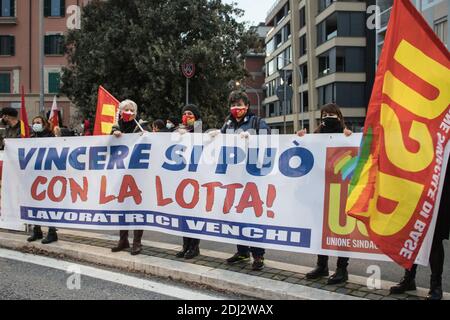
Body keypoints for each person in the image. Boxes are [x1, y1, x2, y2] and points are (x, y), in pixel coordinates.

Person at [297, 103, 352, 285]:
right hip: (318, 190)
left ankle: (342, 268)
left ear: (339, 116)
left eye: (332, 114)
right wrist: (300, 140)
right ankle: (322, 265)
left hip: (338, 190)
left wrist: (350, 139)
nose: (328, 116)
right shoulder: (315, 135)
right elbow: (301, 157)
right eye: (325, 114)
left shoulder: (347, 134)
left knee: (339, 231)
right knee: (321, 229)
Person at [219, 91, 271, 271]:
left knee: (253, 217)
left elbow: (268, 139)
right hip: (234, 177)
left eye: (240, 105)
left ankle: (258, 255)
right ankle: (242, 251)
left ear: (247, 106)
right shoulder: (228, 123)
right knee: (237, 216)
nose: (236, 109)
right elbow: (220, 142)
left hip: (252, 177)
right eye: (233, 105)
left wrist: (252, 138)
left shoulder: (257, 122)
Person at [389, 162, 449, 300]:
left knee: (434, 238)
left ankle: (436, 286)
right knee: (412, 233)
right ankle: (409, 279)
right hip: (416, 184)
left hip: (438, 187)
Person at [110, 99, 148, 255]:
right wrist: (114, 134)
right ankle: (123, 240)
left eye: (131, 109)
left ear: (136, 112)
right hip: (121, 174)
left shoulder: (141, 124)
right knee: (122, 206)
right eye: (125, 109)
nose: (128, 112)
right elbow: (108, 145)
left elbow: (149, 139)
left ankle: (137, 242)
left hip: (138, 174)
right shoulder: (116, 125)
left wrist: (145, 135)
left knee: (138, 207)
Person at [175, 104, 203, 260]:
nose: (187, 116)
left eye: (190, 113)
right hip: (182, 179)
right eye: (184, 113)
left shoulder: (200, 132)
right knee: (184, 215)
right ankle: (185, 246)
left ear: (196, 116)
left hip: (196, 179)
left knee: (194, 215)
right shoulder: (178, 132)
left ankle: (194, 247)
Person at [27, 116, 58, 244]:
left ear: (44, 124)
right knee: (35, 203)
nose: (35, 125)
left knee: (49, 204)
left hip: (49, 175)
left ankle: (52, 232)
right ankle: (37, 230)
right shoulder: (31, 138)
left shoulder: (51, 137)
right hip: (35, 175)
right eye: (34, 123)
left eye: (38, 123)